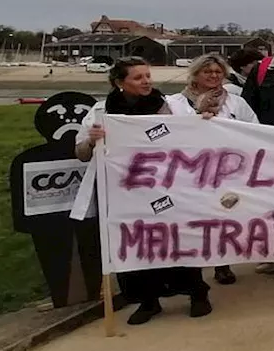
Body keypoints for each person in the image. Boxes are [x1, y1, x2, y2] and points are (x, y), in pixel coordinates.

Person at [75, 58, 211, 324]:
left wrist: (204, 119)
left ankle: (196, 293)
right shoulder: (101, 112)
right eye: (138, 78)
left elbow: (195, 133)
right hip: (127, 193)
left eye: (148, 75)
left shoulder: (171, 106)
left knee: (178, 239)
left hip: (168, 187)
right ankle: (148, 300)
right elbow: (80, 153)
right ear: (119, 82)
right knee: (137, 242)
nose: (147, 81)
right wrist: (92, 140)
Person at [167, 53, 259, 285]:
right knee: (192, 216)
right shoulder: (174, 102)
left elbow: (255, 129)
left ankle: (222, 263)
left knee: (222, 216)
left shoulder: (236, 102)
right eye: (207, 71)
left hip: (227, 170)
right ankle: (190, 266)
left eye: (218, 72)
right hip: (189, 170)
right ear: (195, 74)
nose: (213, 76)